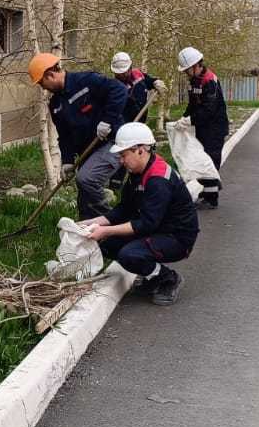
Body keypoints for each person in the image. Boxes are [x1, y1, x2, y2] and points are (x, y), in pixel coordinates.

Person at [78, 122, 199, 306]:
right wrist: (93, 222)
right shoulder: (138, 172)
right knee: (106, 244)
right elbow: (124, 209)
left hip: (177, 237)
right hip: (159, 229)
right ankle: (152, 275)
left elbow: (146, 223)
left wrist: (105, 231)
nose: (121, 161)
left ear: (140, 150)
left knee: (130, 255)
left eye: (123, 155)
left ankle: (167, 278)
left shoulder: (158, 180)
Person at [28, 52, 128, 220]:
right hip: (88, 152)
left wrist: (107, 121)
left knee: (87, 179)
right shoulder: (55, 105)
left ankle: (111, 223)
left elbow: (119, 90)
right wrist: (67, 161)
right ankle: (87, 228)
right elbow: (65, 136)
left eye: (42, 83)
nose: (43, 88)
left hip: (112, 142)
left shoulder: (86, 80)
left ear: (50, 75)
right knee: (85, 198)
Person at [179, 46, 228, 208]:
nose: (186, 73)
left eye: (187, 70)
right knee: (202, 160)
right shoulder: (194, 81)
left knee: (210, 161)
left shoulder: (209, 81)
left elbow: (209, 109)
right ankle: (207, 192)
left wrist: (190, 120)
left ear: (196, 65)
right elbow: (193, 104)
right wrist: (184, 117)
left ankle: (211, 198)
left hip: (215, 128)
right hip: (203, 128)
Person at [110, 51, 168, 124]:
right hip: (125, 125)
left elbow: (147, 81)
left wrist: (155, 82)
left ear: (130, 68)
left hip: (141, 121)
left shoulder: (138, 74)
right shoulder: (114, 88)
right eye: (119, 74)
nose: (123, 75)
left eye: (124, 72)